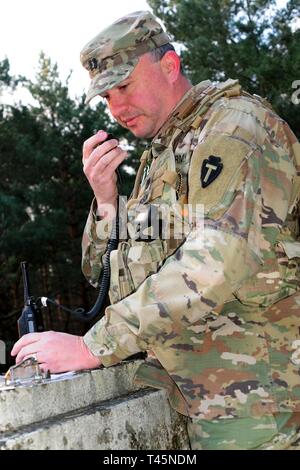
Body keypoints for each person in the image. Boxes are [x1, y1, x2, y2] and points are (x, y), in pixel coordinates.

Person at [11, 10, 300, 450]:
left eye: (124, 86)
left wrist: (93, 347)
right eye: (107, 96)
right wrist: (106, 201)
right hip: (196, 396)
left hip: (259, 403)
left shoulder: (234, 129)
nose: (117, 107)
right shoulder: (162, 155)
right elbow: (104, 274)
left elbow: (214, 263)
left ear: (169, 66)